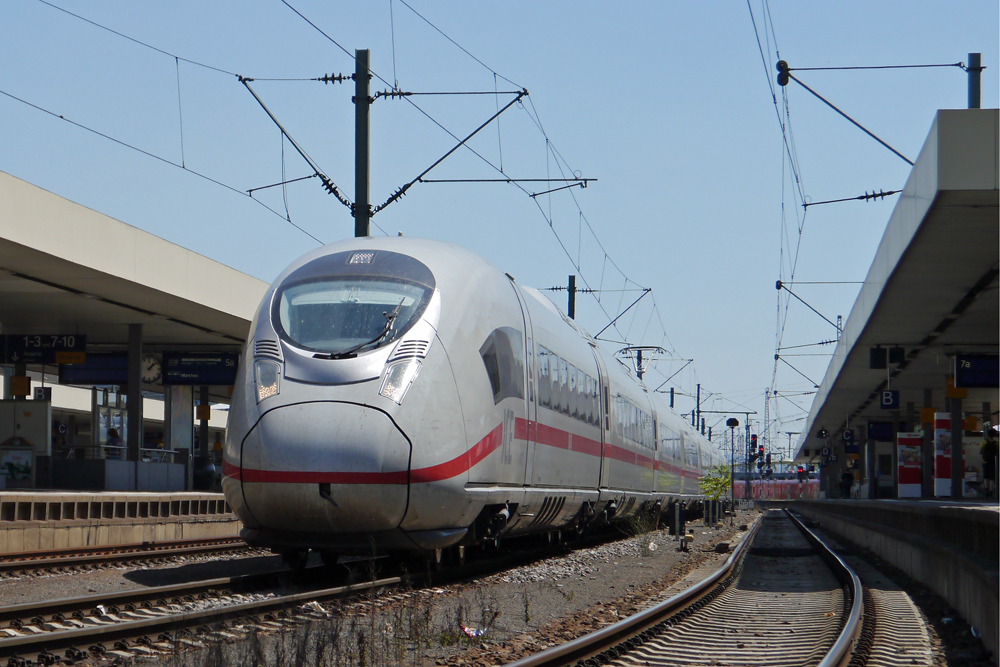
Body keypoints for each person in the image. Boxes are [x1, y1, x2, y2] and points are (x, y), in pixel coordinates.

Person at [981, 429, 998, 496]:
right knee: (992, 477)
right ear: (993, 435)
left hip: (985, 461)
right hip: (993, 462)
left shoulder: (984, 442)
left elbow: (980, 451)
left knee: (986, 476)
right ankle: (991, 491)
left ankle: (986, 489)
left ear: (987, 434)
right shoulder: (996, 443)